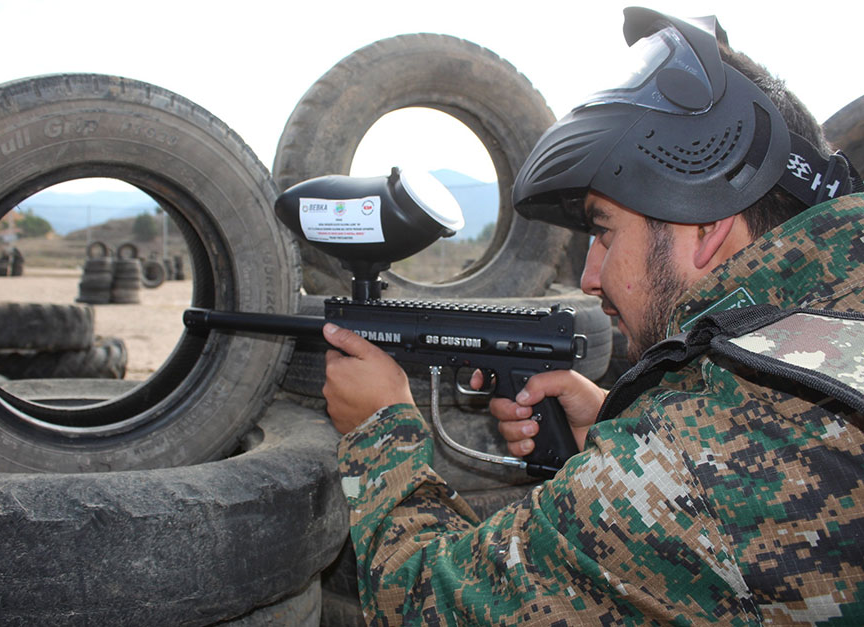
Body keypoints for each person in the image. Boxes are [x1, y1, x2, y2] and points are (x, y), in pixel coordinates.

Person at [322, 7, 864, 624]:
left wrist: (379, 431)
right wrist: (619, 421)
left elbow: (423, 601)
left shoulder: (686, 468)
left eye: (604, 233)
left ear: (707, 225)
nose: (589, 276)